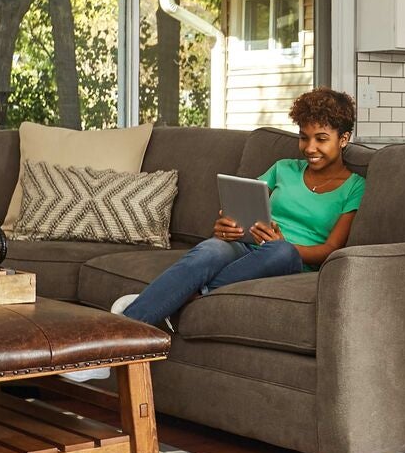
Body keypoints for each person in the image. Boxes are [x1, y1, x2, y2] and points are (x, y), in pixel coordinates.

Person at [109, 87, 365, 330]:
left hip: (288, 258)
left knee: (281, 251)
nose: (309, 148)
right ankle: (120, 334)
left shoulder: (355, 187)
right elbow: (243, 200)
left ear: (343, 139)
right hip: (246, 244)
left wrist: (282, 242)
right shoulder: (284, 168)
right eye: (303, 138)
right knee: (210, 248)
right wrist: (227, 223)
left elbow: (331, 250)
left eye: (321, 139)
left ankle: (182, 296)